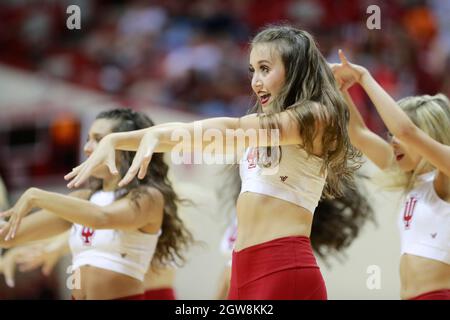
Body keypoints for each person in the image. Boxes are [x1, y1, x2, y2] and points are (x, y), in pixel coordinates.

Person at [64, 25, 362, 300]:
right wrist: (126, 140)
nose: (256, 81)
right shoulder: (268, 127)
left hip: (283, 266)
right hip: (242, 268)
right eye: (252, 70)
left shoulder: (317, 116)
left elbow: (229, 129)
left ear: (294, 70)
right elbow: (201, 137)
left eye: (265, 69)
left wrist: (129, 138)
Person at [0, 109, 193, 300]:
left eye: (98, 139)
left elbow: (102, 218)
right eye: (88, 139)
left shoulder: (148, 197)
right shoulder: (83, 198)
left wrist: (36, 196)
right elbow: (8, 236)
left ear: (127, 146)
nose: (87, 148)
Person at [330, 50, 450, 300]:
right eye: (391, 136)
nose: (393, 141)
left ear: (430, 135)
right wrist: (338, 88)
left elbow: (406, 131)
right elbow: (359, 133)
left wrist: (363, 77)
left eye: (397, 136)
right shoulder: (417, 181)